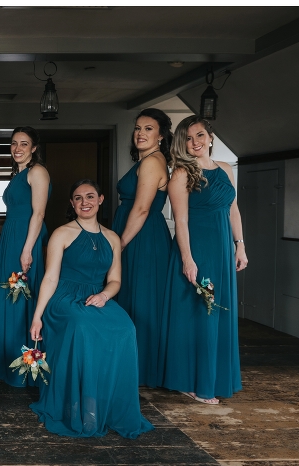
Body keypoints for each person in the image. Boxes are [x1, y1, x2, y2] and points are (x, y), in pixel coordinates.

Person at [28, 180, 154, 438]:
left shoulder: (113, 238)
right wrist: (37, 316)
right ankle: (79, 407)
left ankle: (109, 405)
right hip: (64, 298)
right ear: (72, 203)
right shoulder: (61, 233)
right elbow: (50, 278)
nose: (84, 202)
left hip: (98, 296)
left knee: (126, 328)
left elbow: (115, 280)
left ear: (100, 200)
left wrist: (104, 295)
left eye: (90, 196)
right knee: (83, 327)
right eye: (78, 198)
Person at [159, 116, 247, 404]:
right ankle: (192, 381)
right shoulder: (181, 173)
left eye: (199, 135)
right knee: (198, 313)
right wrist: (187, 259)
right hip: (197, 250)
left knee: (217, 313)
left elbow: (233, 210)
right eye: (187, 138)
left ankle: (215, 377)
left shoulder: (225, 169)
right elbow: (181, 221)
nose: (194, 142)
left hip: (222, 250)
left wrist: (240, 246)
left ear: (210, 137)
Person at [0, 127, 50, 387]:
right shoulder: (18, 174)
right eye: (14, 143)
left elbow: (39, 213)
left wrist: (27, 249)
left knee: (23, 297)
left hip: (26, 239)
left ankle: (26, 367)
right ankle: (6, 361)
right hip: (11, 238)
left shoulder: (37, 171)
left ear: (34, 148)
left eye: (24, 143)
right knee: (8, 297)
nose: (18, 148)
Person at [111, 108, 172, 387]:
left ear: (161, 136)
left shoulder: (152, 162)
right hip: (138, 233)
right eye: (138, 128)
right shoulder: (148, 160)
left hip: (142, 237)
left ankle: (142, 368)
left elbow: (142, 208)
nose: (140, 133)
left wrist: (120, 244)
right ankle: (134, 365)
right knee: (133, 297)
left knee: (141, 299)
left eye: (148, 129)